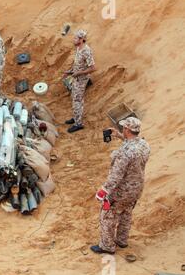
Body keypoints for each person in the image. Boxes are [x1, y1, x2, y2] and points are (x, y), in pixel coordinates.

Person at [92, 118, 150, 254]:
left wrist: (103, 191)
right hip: (136, 188)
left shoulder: (125, 153)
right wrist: (119, 135)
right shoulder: (144, 144)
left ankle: (107, 246)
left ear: (127, 130)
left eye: (124, 128)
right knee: (126, 212)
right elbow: (133, 145)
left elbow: (116, 176)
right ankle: (122, 240)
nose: (122, 129)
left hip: (122, 190)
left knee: (107, 215)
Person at [62, 29, 96, 133]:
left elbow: (93, 68)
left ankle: (78, 124)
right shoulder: (78, 48)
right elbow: (78, 64)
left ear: (81, 40)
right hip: (76, 78)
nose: (74, 40)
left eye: (76, 38)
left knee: (77, 100)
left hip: (81, 80)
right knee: (75, 98)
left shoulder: (86, 51)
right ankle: (76, 117)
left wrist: (79, 74)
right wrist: (70, 72)